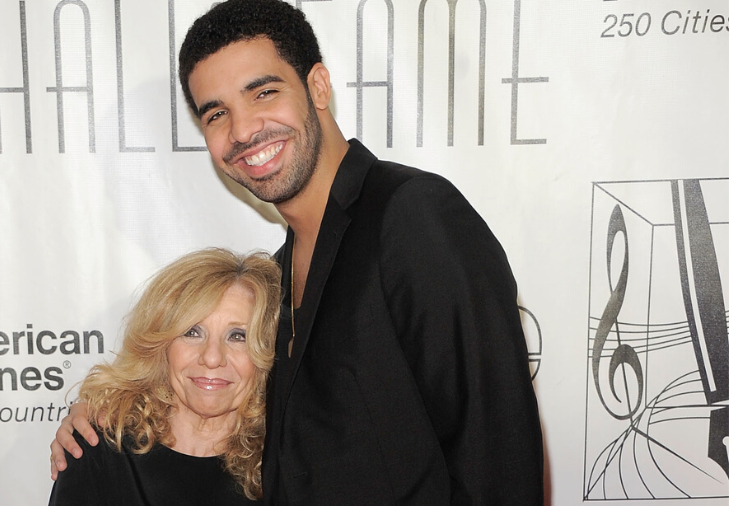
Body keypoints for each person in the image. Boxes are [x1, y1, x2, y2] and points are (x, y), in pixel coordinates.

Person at [52, 1, 545, 504]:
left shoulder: (412, 217)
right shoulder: (276, 278)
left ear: (318, 87)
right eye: (217, 114)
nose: (243, 130)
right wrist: (103, 420)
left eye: (263, 92)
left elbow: (499, 457)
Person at [48, 248, 281, 505]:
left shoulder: (286, 466)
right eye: (192, 332)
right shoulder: (99, 450)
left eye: (238, 336)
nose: (212, 358)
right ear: (161, 346)